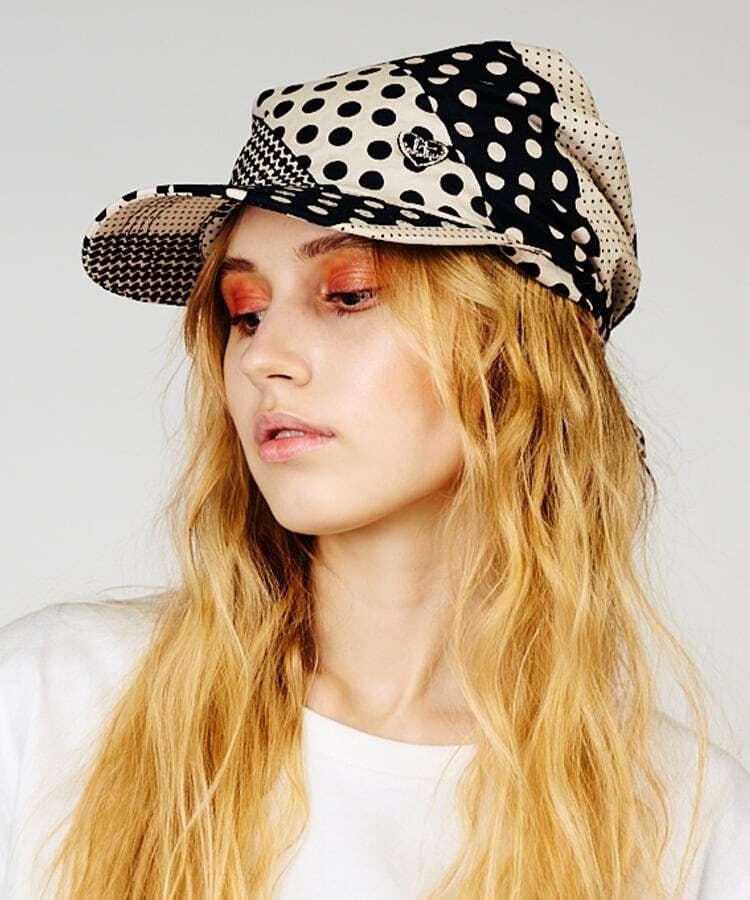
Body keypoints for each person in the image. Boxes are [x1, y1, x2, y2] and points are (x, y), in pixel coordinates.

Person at [2, 38, 749, 899]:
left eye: (348, 294)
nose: (262, 359)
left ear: (520, 354)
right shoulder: (56, 700)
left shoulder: (685, 820)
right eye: (245, 311)